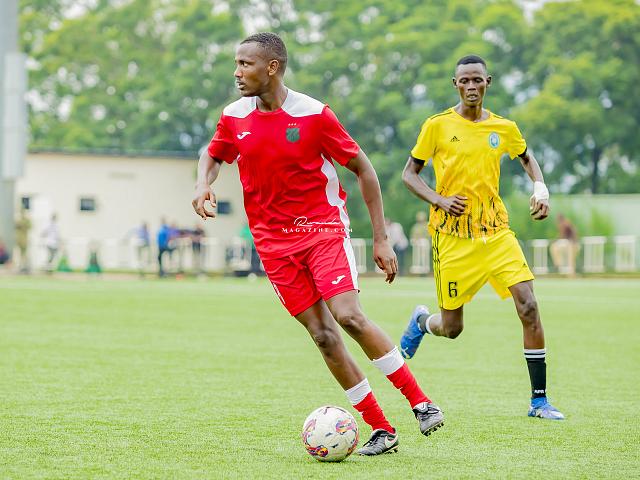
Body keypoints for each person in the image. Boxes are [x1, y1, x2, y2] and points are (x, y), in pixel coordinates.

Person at [192, 32, 444, 456]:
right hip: (272, 245)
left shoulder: (314, 115)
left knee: (348, 316)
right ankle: (382, 430)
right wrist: (203, 183)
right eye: (236, 63)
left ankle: (421, 403)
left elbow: (364, 169)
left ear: (272, 67)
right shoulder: (234, 116)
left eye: (245, 64)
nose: (237, 72)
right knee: (323, 336)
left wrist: (381, 239)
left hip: (322, 230)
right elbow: (213, 154)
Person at [399, 55, 564, 420]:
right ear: (455, 84)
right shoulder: (437, 126)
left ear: (488, 82)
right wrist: (439, 200)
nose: (471, 86)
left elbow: (526, 157)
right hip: (452, 239)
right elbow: (409, 174)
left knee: (528, 305)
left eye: (477, 80)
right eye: (465, 81)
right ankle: (423, 322)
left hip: (497, 233)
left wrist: (540, 188)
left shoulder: (504, 127)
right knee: (452, 328)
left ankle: (539, 401)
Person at [15, 209, 32, 273]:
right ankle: (21, 267)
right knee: (21, 254)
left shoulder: (26, 221)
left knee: (24, 254)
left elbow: (30, 226)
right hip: (21, 240)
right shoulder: (20, 221)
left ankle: (25, 267)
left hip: (24, 240)